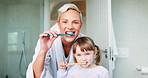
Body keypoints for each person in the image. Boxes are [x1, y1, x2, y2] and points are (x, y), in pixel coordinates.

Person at [26, 3, 84, 78]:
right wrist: (43, 50)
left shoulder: (85, 42)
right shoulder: (46, 40)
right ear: (58, 24)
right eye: (65, 22)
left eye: (75, 22)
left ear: (80, 25)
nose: (70, 27)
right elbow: (36, 75)